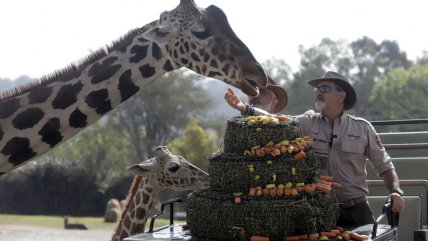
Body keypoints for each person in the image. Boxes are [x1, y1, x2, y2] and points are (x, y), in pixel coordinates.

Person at [224, 71, 405, 227]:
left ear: (341, 96)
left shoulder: (362, 128)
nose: (318, 92)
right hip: (320, 208)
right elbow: (277, 120)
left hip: (357, 209)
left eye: (325, 88)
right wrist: (243, 107)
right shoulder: (307, 122)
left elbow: (384, 166)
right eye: (316, 89)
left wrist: (395, 192)